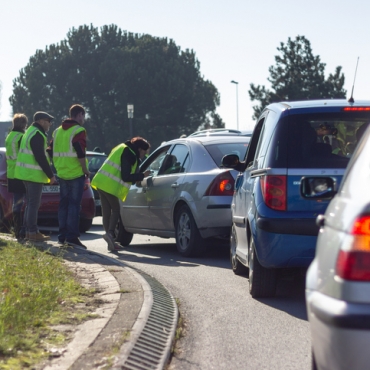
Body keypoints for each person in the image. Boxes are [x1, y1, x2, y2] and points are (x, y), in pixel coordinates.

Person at [91, 137, 151, 251]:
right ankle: (110, 234)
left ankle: (110, 241)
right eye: (144, 152)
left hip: (101, 181)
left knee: (106, 212)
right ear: (139, 149)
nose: (144, 155)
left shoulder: (122, 147)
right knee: (116, 209)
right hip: (109, 185)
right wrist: (142, 175)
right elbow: (126, 176)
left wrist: (137, 175)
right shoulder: (129, 154)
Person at [48, 104, 89, 249]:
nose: (84, 119)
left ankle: (62, 236)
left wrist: (57, 166)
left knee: (63, 205)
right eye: (83, 116)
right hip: (76, 173)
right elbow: (80, 151)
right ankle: (72, 237)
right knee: (74, 205)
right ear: (78, 115)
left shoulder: (57, 131)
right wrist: (85, 170)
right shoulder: (79, 130)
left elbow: (50, 150)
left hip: (62, 173)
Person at [14, 111, 56, 242]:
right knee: (33, 204)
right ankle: (32, 232)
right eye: (49, 121)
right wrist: (51, 175)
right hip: (33, 175)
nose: (50, 124)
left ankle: (29, 231)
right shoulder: (37, 134)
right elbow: (40, 157)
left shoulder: (30, 131)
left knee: (30, 204)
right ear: (41, 121)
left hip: (26, 174)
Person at [5, 113, 28, 239]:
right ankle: (23, 230)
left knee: (16, 203)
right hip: (21, 172)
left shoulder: (9, 136)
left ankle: (17, 229)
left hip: (11, 173)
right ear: (24, 124)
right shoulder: (22, 137)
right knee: (27, 202)